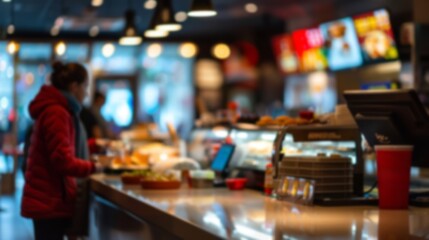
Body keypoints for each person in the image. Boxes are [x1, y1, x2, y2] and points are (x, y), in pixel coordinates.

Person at [21, 62, 101, 240]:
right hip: (49, 201)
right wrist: (95, 167)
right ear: (74, 87)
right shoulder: (57, 112)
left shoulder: (60, 109)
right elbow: (62, 160)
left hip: (49, 200)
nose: (87, 93)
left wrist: (95, 145)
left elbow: (64, 146)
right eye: (85, 86)